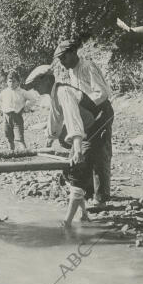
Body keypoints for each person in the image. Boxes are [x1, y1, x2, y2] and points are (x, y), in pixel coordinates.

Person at [25, 65, 111, 228]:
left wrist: (77, 148)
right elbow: (56, 117)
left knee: (78, 168)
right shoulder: (54, 94)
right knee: (72, 169)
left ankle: (67, 222)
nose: (35, 88)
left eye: (37, 84)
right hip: (86, 126)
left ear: (47, 79)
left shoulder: (63, 92)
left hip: (97, 122)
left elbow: (73, 120)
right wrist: (49, 138)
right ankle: (84, 215)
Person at [54, 39, 114, 208]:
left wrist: (85, 106)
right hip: (87, 114)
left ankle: (101, 197)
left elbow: (103, 93)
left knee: (99, 152)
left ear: (73, 53)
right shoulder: (72, 72)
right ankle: (86, 191)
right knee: (82, 150)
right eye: (59, 59)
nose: (62, 62)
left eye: (63, 58)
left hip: (101, 112)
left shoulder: (88, 67)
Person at [0, 70, 37, 151]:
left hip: (17, 117)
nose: (11, 83)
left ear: (18, 82)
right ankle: (11, 153)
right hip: (6, 117)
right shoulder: (4, 92)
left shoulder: (22, 92)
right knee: (9, 138)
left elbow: (33, 99)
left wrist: (25, 108)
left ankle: (25, 153)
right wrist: (2, 108)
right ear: (7, 82)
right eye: (10, 81)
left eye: (14, 81)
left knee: (19, 139)